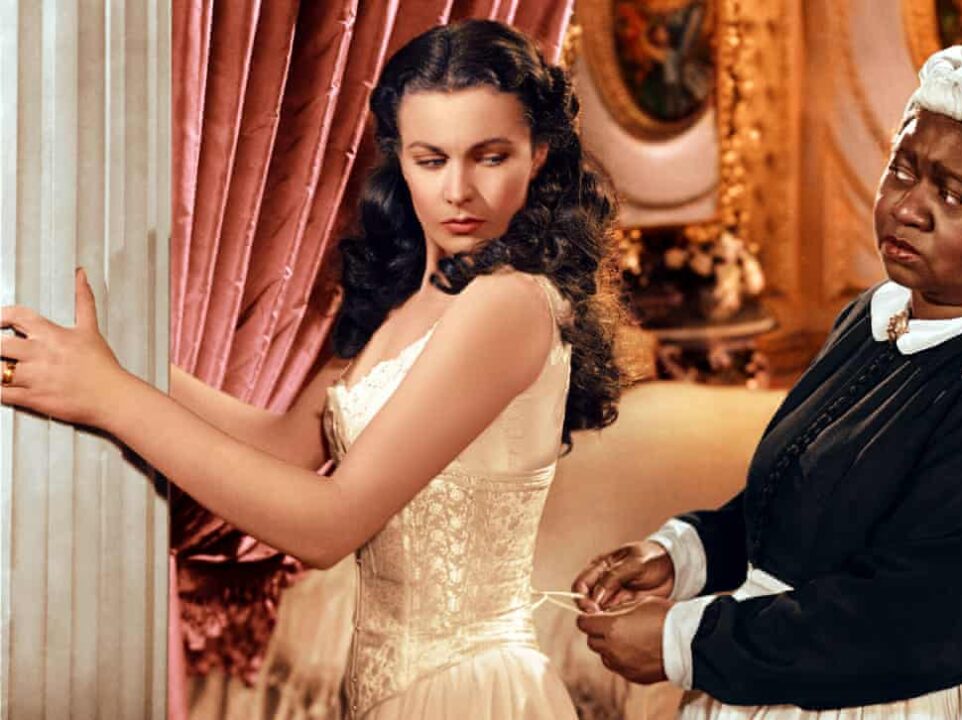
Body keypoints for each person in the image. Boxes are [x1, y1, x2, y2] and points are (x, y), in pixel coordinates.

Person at [1, 19, 625, 720]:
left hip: (472, 692)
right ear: (399, 159)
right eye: (430, 159)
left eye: (490, 156)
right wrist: (134, 365)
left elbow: (328, 527)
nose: (458, 190)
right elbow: (281, 447)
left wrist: (108, 396)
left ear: (538, 155)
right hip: (388, 692)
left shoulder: (508, 302)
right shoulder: (408, 297)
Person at [572, 46, 962, 719]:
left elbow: (915, 620)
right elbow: (823, 497)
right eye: (904, 169)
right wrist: (690, 554)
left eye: (954, 194)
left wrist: (687, 641)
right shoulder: (885, 312)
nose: (908, 208)